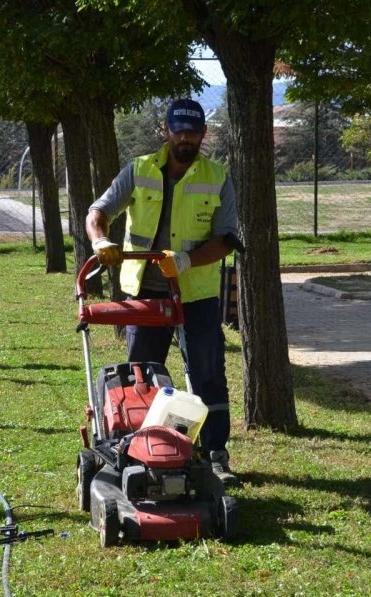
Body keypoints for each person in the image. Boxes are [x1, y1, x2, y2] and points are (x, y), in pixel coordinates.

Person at [84, 98, 240, 486]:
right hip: (145, 295)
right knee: (141, 377)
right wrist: (101, 241)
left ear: (203, 134)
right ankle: (139, 448)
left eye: (193, 132)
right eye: (178, 130)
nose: (185, 138)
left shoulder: (217, 177)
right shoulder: (138, 171)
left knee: (207, 374)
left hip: (195, 295)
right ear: (166, 132)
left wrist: (186, 261)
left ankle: (215, 452)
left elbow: (226, 240)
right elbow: (97, 212)